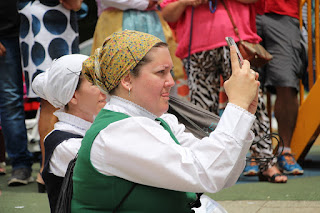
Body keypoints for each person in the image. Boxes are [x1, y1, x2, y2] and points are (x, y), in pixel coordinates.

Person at [71, 30, 259, 212]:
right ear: (127, 80)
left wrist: (244, 111)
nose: (171, 81)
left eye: (170, 72)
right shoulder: (116, 132)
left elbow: (221, 173)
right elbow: (206, 172)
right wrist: (238, 106)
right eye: (161, 72)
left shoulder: (156, 121)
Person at [160, 0, 287, 183]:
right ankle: (206, 164)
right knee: (200, 110)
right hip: (197, 46)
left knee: (251, 102)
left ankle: (266, 162)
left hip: (236, 42)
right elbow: (167, 13)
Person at [18, 0, 83, 192]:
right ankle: (50, 170)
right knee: (55, 99)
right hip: (52, 27)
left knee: (49, 101)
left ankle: (46, 171)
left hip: (35, 25)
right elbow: (74, 3)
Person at [32, 54, 107, 212]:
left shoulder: (95, 126)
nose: (104, 88)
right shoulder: (63, 143)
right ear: (72, 95)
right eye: (95, 82)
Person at [255, 0, 304, 175]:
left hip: (284, 12)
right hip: (245, 13)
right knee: (246, 84)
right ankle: (255, 153)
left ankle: (285, 151)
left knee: (286, 81)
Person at [91, 0, 185, 81]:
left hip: (152, 21)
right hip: (116, 20)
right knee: (117, 72)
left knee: (161, 71)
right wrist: (144, 3)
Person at [0, 0, 34, 186]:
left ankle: (54, 160)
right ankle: (20, 164)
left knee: (54, 95)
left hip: (40, 26)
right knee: (10, 99)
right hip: (5, 33)